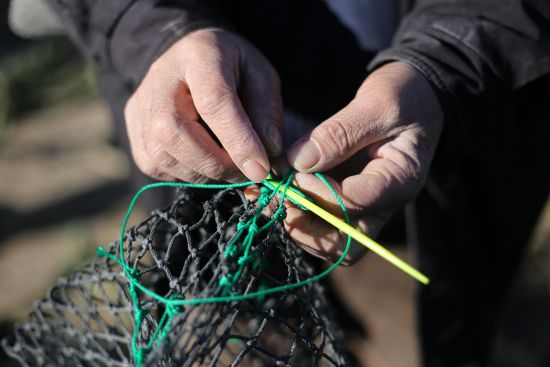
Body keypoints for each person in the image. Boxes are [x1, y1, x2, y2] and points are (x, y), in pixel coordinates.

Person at [12, 0, 550, 365]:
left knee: (431, 332)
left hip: (454, 160)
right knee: (232, 331)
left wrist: (444, 67)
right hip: (198, 193)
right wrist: (154, 30)